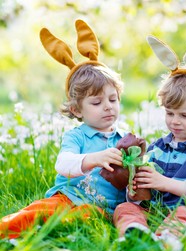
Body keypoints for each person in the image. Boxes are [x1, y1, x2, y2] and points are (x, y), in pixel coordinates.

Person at [0, 20, 128, 239]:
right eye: (96, 103)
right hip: (66, 196)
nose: (107, 106)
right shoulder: (76, 136)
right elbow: (63, 164)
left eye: (113, 99)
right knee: (36, 212)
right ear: (77, 110)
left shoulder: (125, 138)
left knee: (85, 217)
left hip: (102, 207)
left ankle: (51, 230)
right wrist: (95, 158)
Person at [113, 36, 186, 249]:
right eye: (170, 113)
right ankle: (135, 233)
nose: (175, 121)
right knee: (124, 208)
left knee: (183, 213)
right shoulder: (157, 147)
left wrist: (163, 182)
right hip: (156, 210)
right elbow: (145, 194)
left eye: (185, 116)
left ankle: (167, 241)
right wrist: (136, 193)